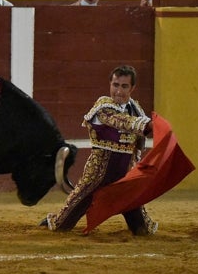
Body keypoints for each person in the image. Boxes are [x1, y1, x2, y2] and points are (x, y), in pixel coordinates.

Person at [41, 65, 157, 236]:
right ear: (110, 84)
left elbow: (139, 138)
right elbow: (122, 121)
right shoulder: (103, 107)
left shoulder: (135, 109)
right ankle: (54, 220)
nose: (118, 91)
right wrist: (148, 125)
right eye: (115, 85)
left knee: (142, 229)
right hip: (99, 173)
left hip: (124, 174)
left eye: (124, 86)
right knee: (63, 224)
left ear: (132, 88)